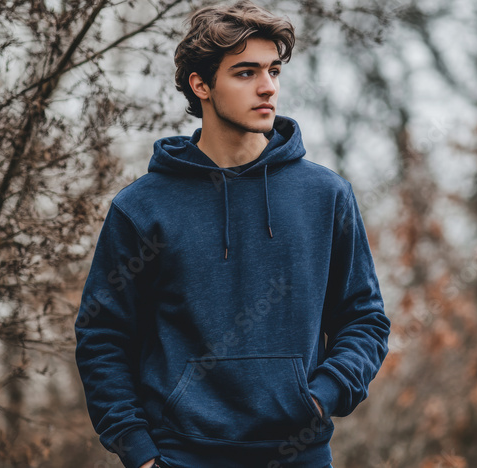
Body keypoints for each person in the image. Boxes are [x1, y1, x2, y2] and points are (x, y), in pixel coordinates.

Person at [73, 1, 391, 467]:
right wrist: (138, 452)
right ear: (201, 85)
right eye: (246, 73)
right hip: (180, 456)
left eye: (274, 70)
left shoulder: (325, 196)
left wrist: (320, 397)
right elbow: (102, 336)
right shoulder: (142, 208)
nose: (268, 88)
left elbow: (364, 319)